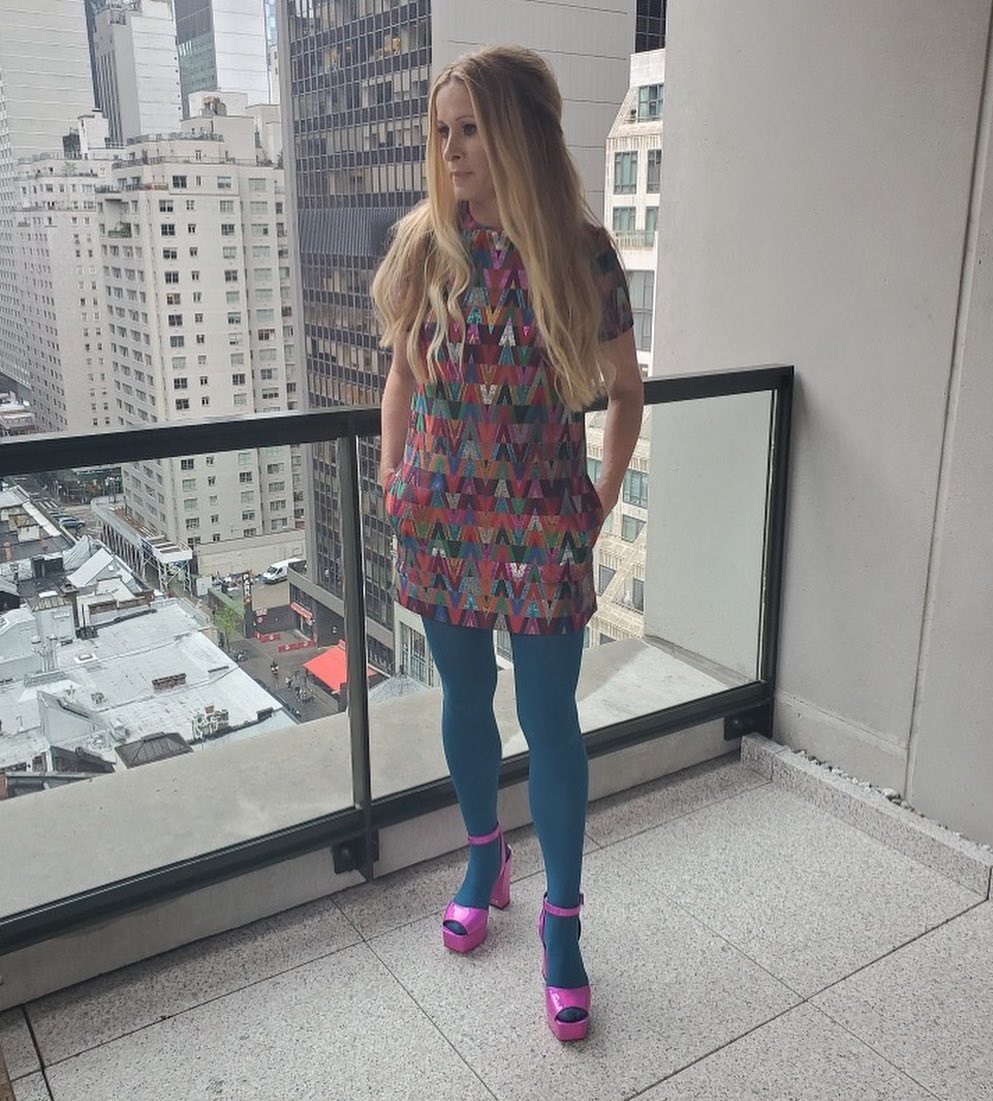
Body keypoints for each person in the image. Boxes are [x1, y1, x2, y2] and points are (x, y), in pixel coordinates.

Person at [373, 45, 643, 1042]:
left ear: (520, 132)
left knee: (549, 719)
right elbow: (401, 378)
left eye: (471, 128)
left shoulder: (581, 254)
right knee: (461, 697)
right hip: (440, 518)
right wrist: (393, 476)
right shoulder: (425, 247)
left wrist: (600, 499)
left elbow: (626, 392)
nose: (451, 149)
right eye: (442, 131)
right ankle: (485, 856)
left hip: (541, 522)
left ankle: (562, 926)